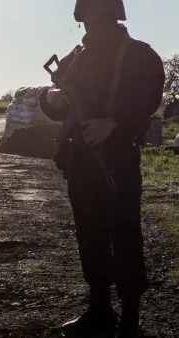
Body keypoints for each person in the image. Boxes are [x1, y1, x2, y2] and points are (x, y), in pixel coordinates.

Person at [38, 0, 165, 336]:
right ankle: (99, 310)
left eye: (99, 18)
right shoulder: (76, 57)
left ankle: (130, 319)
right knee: (89, 234)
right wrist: (52, 99)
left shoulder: (139, 54)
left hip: (118, 157)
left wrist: (113, 121)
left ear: (114, 17)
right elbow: (53, 98)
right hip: (79, 159)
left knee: (124, 232)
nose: (92, 25)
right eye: (87, 19)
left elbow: (149, 96)